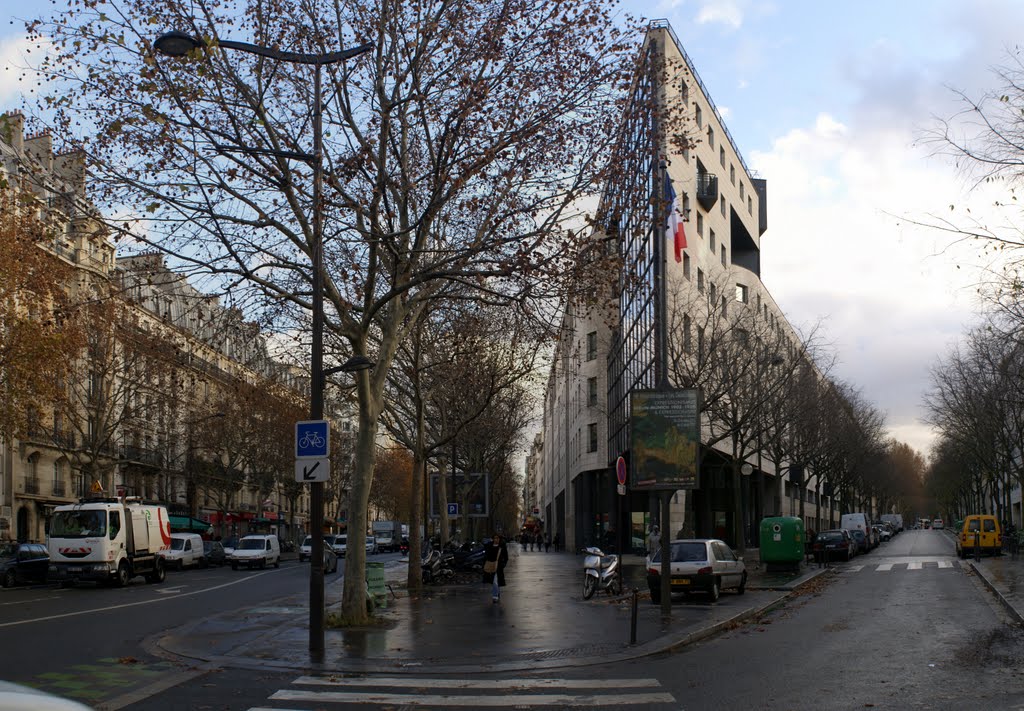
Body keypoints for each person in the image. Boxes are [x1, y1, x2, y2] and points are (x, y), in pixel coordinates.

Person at [483, 533, 509, 603]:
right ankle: (497, 593)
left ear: (499, 539)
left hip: (499, 566)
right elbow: (486, 555)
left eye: (497, 538)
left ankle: (495, 596)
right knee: (495, 581)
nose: (496, 539)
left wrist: (503, 564)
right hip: (490, 565)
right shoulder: (489, 545)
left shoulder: (502, 546)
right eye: (494, 538)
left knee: (495, 581)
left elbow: (506, 557)